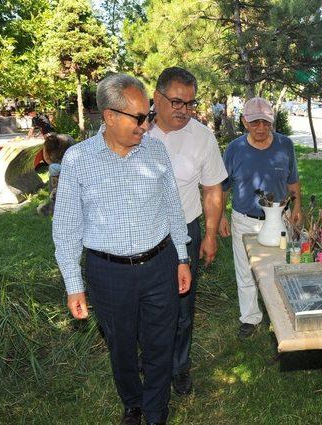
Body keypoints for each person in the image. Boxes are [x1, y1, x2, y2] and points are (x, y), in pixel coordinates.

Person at [52, 73, 192, 425]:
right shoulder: (77, 160)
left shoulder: (155, 150)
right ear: (110, 115)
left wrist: (183, 258)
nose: (146, 126)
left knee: (161, 344)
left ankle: (157, 412)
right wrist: (73, 284)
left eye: (147, 116)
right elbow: (66, 228)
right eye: (139, 118)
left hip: (160, 264)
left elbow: (173, 208)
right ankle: (133, 403)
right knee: (122, 346)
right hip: (108, 273)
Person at [147, 66, 227, 396]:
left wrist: (209, 235)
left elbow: (212, 190)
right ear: (157, 98)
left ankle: (179, 366)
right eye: (177, 102)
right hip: (140, 237)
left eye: (191, 103)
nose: (184, 110)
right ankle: (150, 361)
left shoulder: (202, 137)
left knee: (182, 306)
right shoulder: (136, 131)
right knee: (145, 306)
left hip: (187, 234)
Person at [218, 97, 302, 339]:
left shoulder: (285, 145)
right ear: (245, 122)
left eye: (266, 122)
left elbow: (293, 180)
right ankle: (250, 318)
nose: (261, 128)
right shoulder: (234, 149)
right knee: (245, 270)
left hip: (279, 218)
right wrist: (222, 215)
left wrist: (297, 207)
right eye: (255, 123)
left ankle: (282, 316)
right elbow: (224, 186)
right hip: (244, 218)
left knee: (280, 267)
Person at [37, 133, 76, 216]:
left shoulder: (68, 143)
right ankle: (55, 198)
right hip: (61, 167)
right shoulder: (47, 145)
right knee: (53, 168)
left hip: (73, 166)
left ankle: (58, 201)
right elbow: (47, 159)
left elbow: (74, 160)